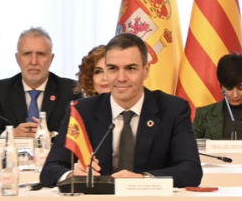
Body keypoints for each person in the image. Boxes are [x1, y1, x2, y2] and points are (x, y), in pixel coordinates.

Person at [39, 33, 203, 188]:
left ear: (146, 70)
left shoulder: (172, 109)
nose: (121, 78)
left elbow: (191, 171)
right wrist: (72, 175)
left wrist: (142, 179)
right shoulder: (81, 111)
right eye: (113, 69)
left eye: (131, 68)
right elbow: (51, 170)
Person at [0, 27, 79, 144]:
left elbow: (78, 136)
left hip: (54, 161)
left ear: (51, 59)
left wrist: (49, 136)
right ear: (17, 58)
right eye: (27, 54)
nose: (33, 62)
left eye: (41, 54)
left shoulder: (71, 90)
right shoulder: (1, 90)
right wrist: (11, 134)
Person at [192, 54, 242, 151]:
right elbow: (189, 147)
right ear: (221, 86)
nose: (235, 95)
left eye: (241, 88)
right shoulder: (204, 114)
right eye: (229, 88)